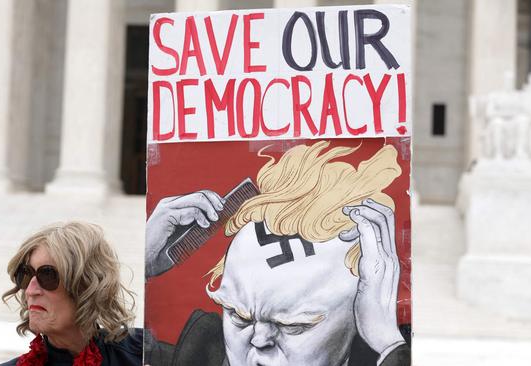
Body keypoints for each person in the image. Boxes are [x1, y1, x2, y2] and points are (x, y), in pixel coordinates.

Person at [145, 141, 410, 366]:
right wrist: (145, 264)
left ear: (362, 314)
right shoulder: (190, 358)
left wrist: (388, 343)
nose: (259, 342)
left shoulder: (386, 349)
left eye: (294, 326)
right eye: (238, 316)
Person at [0, 222, 143, 366]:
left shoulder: (145, 352)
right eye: (26, 275)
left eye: (47, 275)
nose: (30, 291)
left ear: (86, 285)